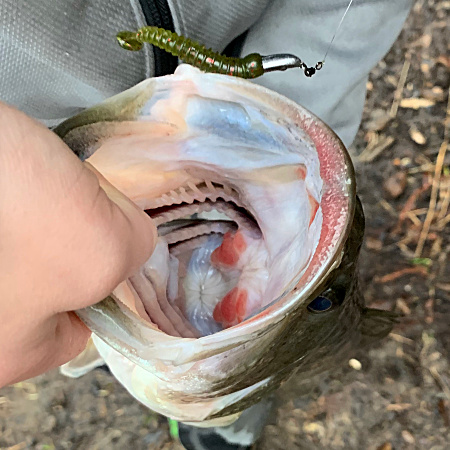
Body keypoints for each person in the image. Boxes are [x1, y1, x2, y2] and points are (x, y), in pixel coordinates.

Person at [0, 0, 412, 449]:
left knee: (235, 386)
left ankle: (226, 421)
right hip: (37, 196)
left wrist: (270, 120)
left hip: (280, 104)